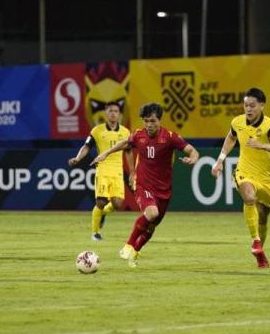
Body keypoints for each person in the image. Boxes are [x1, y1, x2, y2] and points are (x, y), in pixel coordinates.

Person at [91, 102, 199, 267]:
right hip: (143, 185)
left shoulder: (170, 137)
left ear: (159, 120)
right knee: (152, 213)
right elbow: (124, 143)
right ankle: (128, 245)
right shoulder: (138, 135)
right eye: (146, 121)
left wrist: (193, 159)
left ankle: (135, 252)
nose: (149, 125)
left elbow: (192, 150)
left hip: (164, 190)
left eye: (152, 121)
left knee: (151, 227)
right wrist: (105, 153)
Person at [211, 87, 270, 268]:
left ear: (261, 106)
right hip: (244, 172)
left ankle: (260, 250)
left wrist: (260, 145)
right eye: (245, 105)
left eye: (252, 105)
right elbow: (231, 138)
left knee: (264, 217)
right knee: (249, 196)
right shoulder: (237, 122)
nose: (248, 109)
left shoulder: (269, 125)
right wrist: (220, 160)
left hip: (266, 178)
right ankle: (256, 241)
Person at [68, 102, 133, 241]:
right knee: (101, 202)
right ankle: (95, 233)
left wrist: (132, 172)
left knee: (117, 204)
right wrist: (78, 158)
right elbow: (86, 146)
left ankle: (103, 214)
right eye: (110, 111)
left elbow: (128, 152)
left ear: (119, 114)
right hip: (102, 169)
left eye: (116, 111)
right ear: (105, 113)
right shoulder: (97, 131)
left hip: (117, 172)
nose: (113, 113)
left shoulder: (126, 132)